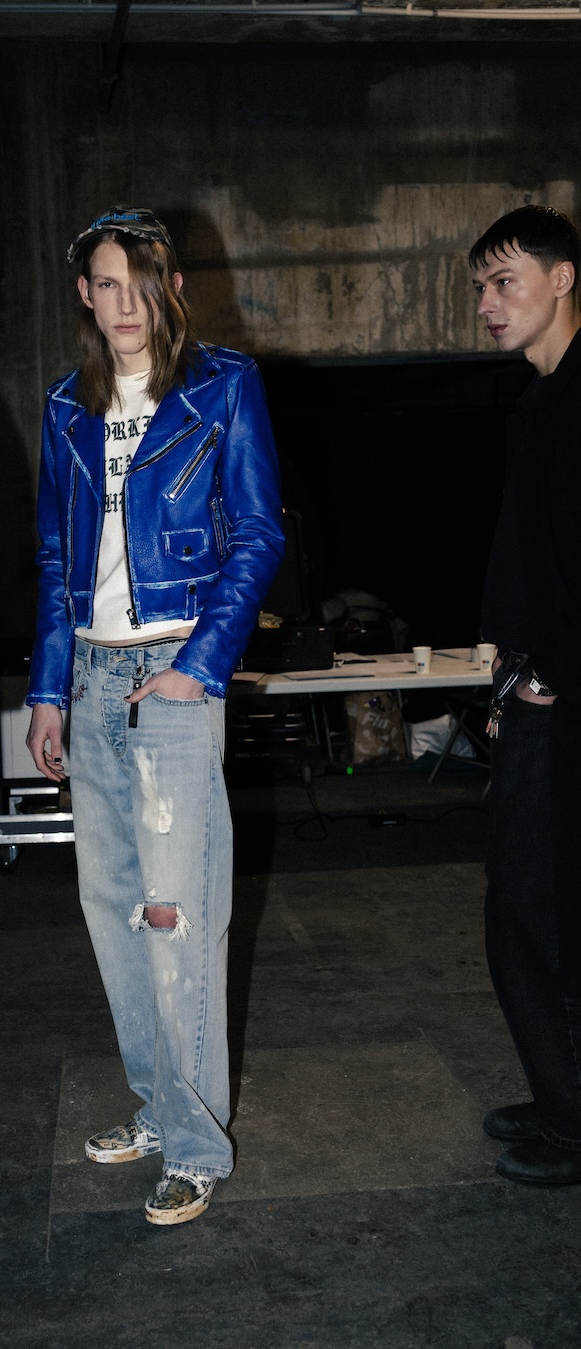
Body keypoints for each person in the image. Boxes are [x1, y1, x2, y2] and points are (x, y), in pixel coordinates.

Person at [26, 206, 285, 1224]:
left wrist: (201, 663)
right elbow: (56, 558)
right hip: (92, 678)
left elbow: (258, 532)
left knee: (179, 920)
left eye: (141, 280)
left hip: (172, 674)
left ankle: (197, 1142)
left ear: (171, 286)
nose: (124, 301)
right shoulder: (65, 405)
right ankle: (157, 1103)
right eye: (105, 282)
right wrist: (48, 689)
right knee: (112, 912)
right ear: (84, 295)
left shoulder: (224, 385)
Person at [471, 203, 581, 1185]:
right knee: (525, 911)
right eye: (481, 287)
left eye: (505, 281)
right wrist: (511, 671)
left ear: (563, 278)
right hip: (539, 688)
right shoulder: (539, 405)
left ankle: (575, 1120)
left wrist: (548, 671)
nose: (488, 303)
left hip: (566, 695)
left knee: (542, 916)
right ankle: (561, 1095)